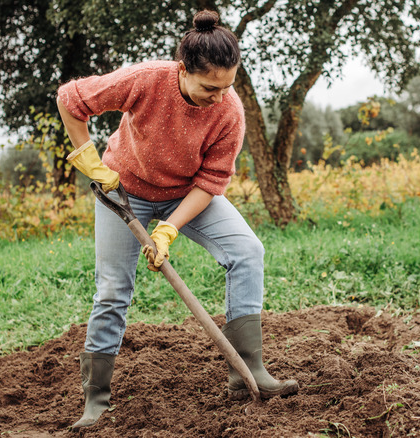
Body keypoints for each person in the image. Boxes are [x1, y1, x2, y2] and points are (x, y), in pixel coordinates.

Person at [56, 10, 299, 431]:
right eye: (210, 86)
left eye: (228, 86)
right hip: (122, 192)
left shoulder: (230, 113)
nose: (220, 97)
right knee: (113, 289)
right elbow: (71, 99)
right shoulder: (148, 79)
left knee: (247, 251)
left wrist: (169, 228)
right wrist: (91, 162)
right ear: (183, 70)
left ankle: (249, 371)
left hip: (186, 195)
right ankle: (95, 400)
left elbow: (211, 181)